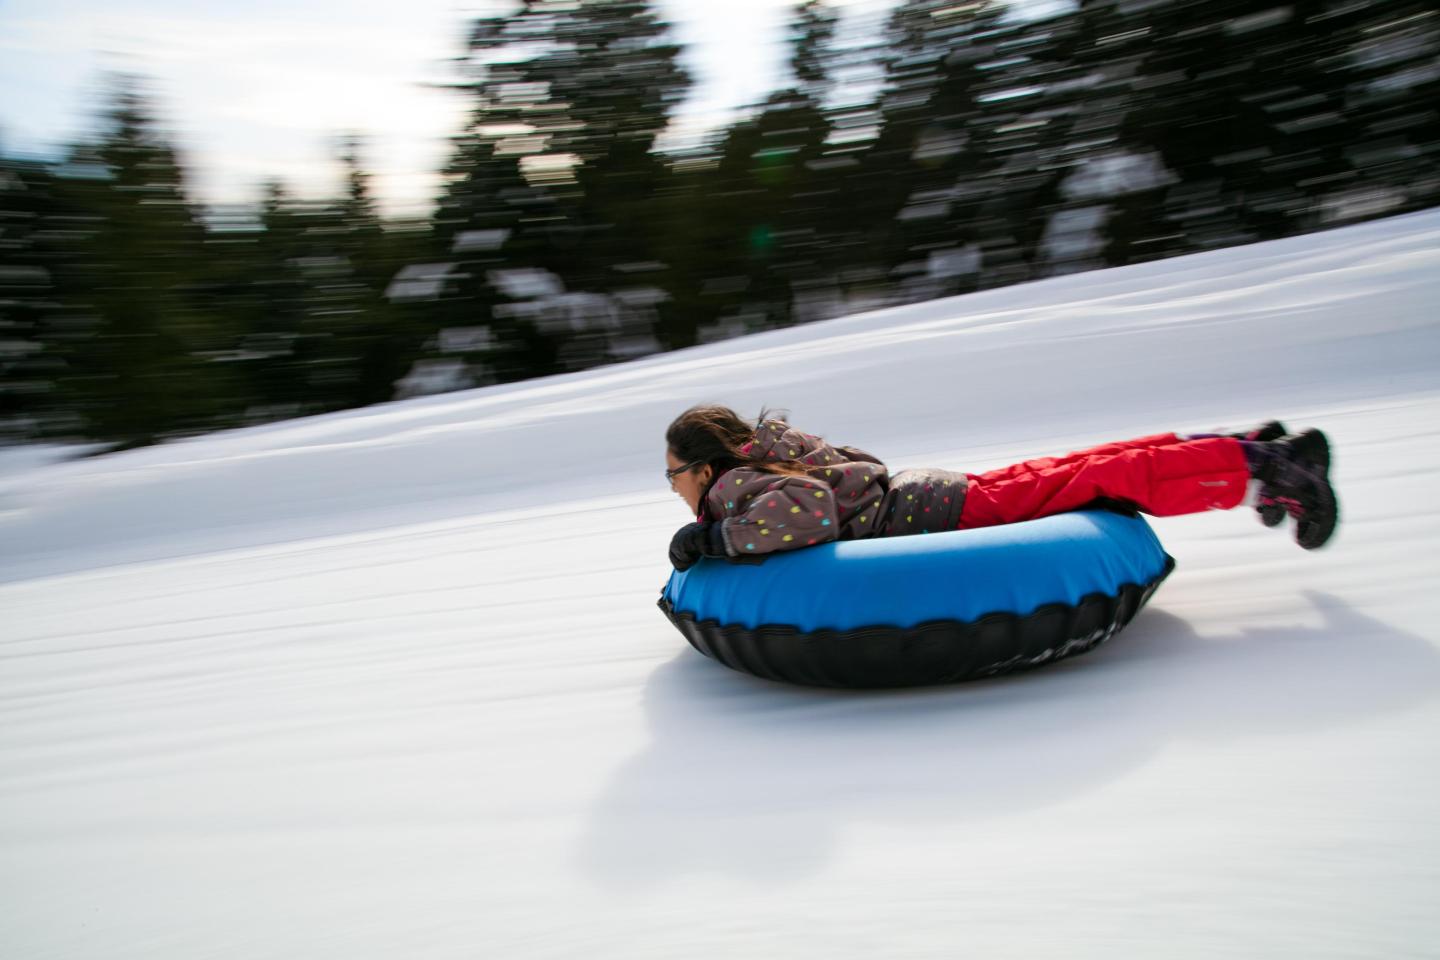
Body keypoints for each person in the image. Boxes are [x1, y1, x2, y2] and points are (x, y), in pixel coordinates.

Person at [665, 405, 1338, 571]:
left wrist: (718, 535)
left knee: (1104, 477)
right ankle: (1246, 452)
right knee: (1087, 464)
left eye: (672, 473)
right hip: (936, 492)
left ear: (704, 467)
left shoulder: (741, 488)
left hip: (946, 513)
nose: (671, 487)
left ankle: (1269, 469)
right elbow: (856, 469)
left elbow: (808, 516)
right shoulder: (782, 455)